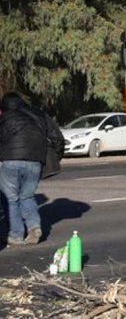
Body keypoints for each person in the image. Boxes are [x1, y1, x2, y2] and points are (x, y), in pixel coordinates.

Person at [0, 92, 64, 246]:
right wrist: (56, 157)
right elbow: (57, 137)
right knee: (27, 196)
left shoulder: (5, 117)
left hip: (11, 160)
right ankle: (34, 227)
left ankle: (16, 235)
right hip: (35, 160)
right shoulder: (38, 114)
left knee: (11, 198)